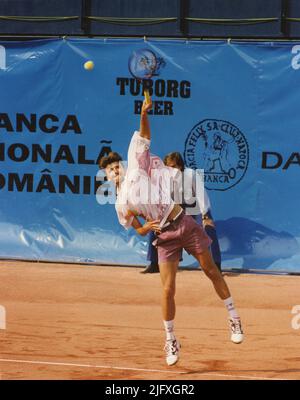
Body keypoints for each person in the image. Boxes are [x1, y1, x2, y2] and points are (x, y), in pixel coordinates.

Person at [99, 96, 244, 366]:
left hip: (184, 224)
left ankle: (234, 317)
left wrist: (144, 113)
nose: (114, 170)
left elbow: (144, 134)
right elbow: (136, 228)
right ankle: (170, 339)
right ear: (106, 176)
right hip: (164, 238)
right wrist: (146, 228)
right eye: (109, 170)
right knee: (167, 290)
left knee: (211, 271)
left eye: (116, 165)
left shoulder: (136, 165)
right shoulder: (120, 203)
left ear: (123, 165)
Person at [142, 151, 222, 274]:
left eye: (173, 167)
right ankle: (154, 263)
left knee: (209, 227)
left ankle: (216, 264)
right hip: (174, 207)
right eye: (168, 167)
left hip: (192, 205)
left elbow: (202, 196)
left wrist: (205, 215)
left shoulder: (191, 175)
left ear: (180, 166)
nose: (170, 170)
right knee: (154, 226)